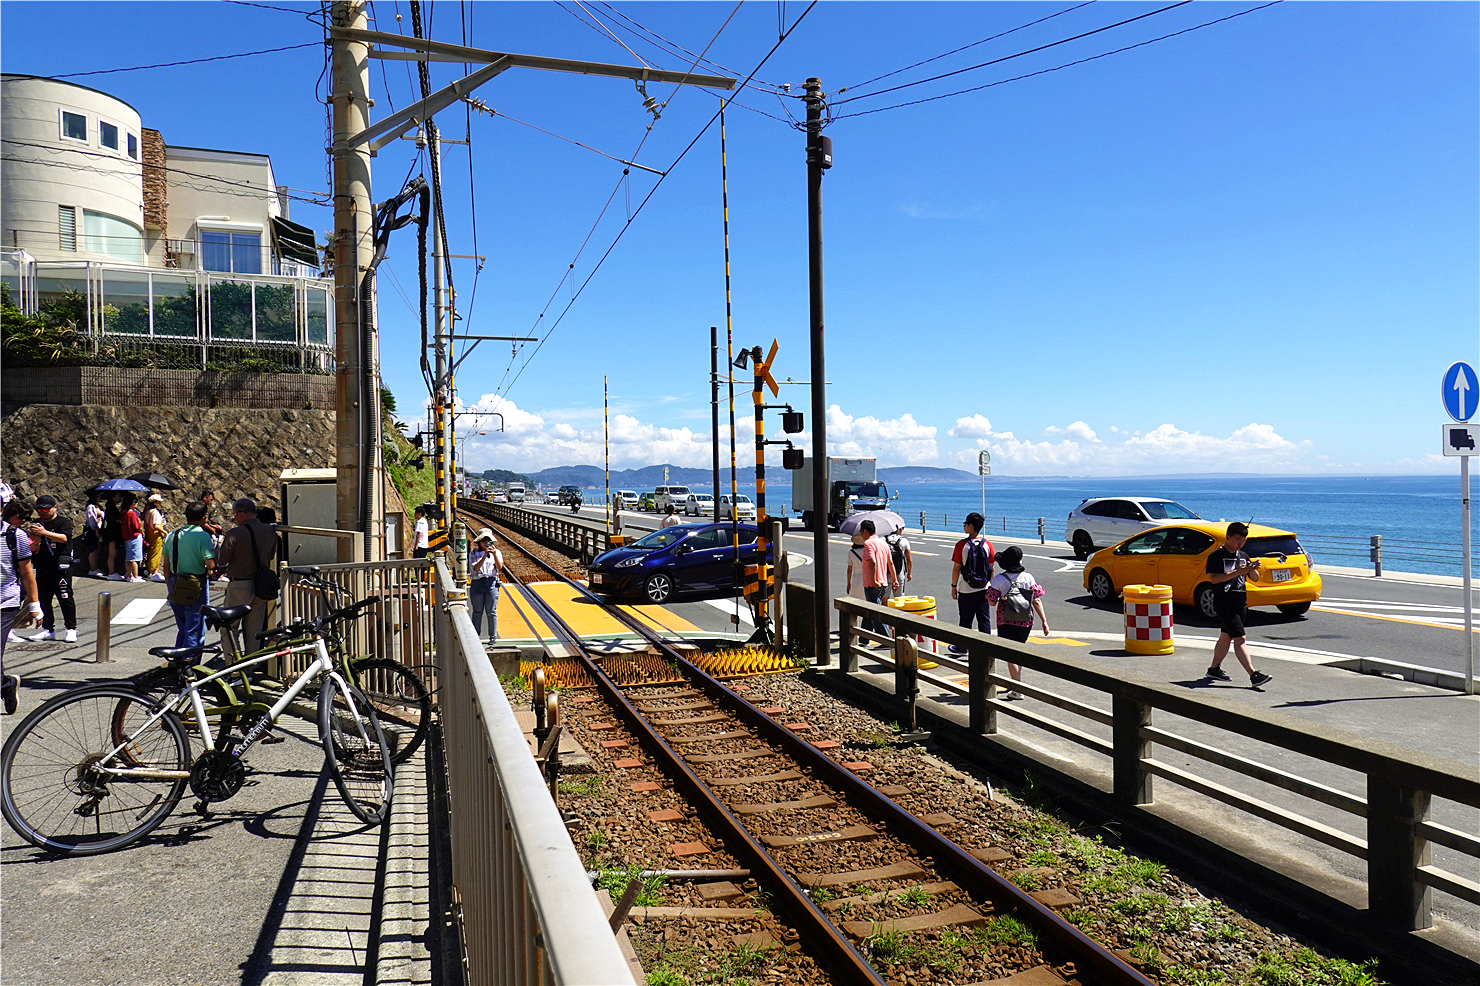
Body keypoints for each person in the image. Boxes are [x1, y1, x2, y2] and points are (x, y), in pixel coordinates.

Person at [1204, 522, 1273, 688]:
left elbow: (1255, 578)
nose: (1240, 543)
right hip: (1224, 601)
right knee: (1240, 638)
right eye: (1237, 539)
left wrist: (1252, 568)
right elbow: (1214, 579)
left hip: (1240, 601)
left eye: (1243, 540)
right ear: (1227, 537)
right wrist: (1237, 572)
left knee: (1226, 636)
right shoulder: (1217, 555)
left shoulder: (1242, 555)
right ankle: (1253, 674)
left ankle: (1214, 669)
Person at [985, 545, 1051, 700]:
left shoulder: (999, 579)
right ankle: (1016, 683)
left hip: (1005, 621)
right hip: (1025, 622)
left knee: (1010, 656)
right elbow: (1037, 600)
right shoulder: (1028, 578)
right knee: (1018, 654)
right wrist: (1044, 621)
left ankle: (1017, 689)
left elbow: (992, 603)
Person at [216, 498, 279, 653]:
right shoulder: (270, 531)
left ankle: (235, 669)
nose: (235, 518)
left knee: (229, 628)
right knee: (254, 633)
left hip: (239, 586)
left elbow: (222, 560)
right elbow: (271, 556)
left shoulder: (235, 533)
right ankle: (250, 669)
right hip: (261, 586)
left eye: (235, 514)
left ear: (241, 514)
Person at [2, 499, 41, 714]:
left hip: (4, 602)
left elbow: (26, 572)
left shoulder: (14, 535)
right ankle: (7, 685)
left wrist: (34, 605)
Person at [162, 501, 216, 650]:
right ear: (205, 518)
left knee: (183, 628)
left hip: (175, 582)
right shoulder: (203, 537)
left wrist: (170, 586)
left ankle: (178, 663)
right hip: (195, 585)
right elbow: (210, 565)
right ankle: (190, 666)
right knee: (195, 629)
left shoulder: (172, 535)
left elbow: (166, 566)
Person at [25, 495, 78, 643]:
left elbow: (64, 538)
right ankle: (48, 629)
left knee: (65, 597)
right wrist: (35, 540)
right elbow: (33, 546)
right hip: (43, 565)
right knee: (44, 599)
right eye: (39, 509)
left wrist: (44, 533)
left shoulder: (63, 522)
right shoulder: (37, 523)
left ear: (54, 507)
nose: (42, 512)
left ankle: (71, 628)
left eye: (46, 509)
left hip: (60, 566)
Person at [948, 512, 995, 655]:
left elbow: (957, 568)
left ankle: (962, 647)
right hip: (984, 588)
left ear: (971, 526)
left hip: (966, 589)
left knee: (965, 620)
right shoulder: (988, 544)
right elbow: (991, 568)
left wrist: (954, 586)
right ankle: (986, 648)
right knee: (984, 620)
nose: (964, 526)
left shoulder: (961, 545)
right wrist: (991, 587)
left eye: (965, 524)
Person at [858, 519, 900, 637]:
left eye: (861, 531)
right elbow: (890, 563)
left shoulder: (868, 544)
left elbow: (872, 562)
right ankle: (864, 637)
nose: (860, 534)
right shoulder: (883, 543)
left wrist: (873, 580)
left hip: (872, 583)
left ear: (865, 531)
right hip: (883, 581)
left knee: (874, 612)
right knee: (870, 609)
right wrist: (895, 579)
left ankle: (886, 638)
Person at [468, 529, 503, 644]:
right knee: (477, 611)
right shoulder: (473, 553)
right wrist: (485, 556)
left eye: (488, 540)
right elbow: (476, 568)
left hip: (491, 582)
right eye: (483, 540)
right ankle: (475, 637)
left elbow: (499, 567)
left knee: (491, 611)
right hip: (477, 583)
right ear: (479, 541)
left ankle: (493, 636)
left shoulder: (496, 552)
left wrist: (493, 554)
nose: (486, 543)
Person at [119, 492, 144, 582]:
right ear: (132, 503)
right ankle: (135, 576)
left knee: (128, 558)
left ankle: (130, 575)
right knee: (135, 558)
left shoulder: (124, 513)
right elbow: (137, 526)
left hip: (127, 537)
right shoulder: (132, 514)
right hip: (134, 536)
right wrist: (142, 533)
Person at [144, 493, 168, 582]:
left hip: (149, 534)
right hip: (156, 535)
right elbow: (156, 525)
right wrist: (165, 532)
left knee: (151, 553)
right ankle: (154, 572)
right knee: (156, 553)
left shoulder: (148, 511)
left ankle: (151, 570)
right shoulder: (155, 512)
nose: (160, 504)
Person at [884, 526, 913, 591]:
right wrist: (909, 573)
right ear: (900, 529)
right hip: (899, 573)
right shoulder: (904, 541)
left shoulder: (883, 539)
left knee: (884, 598)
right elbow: (909, 560)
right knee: (899, 598)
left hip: (885, 573)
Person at [83, 490, 105, 577]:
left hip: (99, 528)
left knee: (96, 550)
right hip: (92, 530)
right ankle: (93, 569)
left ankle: (95, 567)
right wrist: (95, 529)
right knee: (93, 550)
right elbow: (91, 519)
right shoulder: (90, 507)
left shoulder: (97, 506)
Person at [102, 491, 123, 580]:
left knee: (113, 553)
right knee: (112, 553)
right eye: (118, 496)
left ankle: (112, 571)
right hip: (112, 532)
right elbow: (112, 519)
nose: (120, 498)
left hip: (112, 531)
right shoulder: (110, 507)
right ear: (113, 497)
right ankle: (111, 572)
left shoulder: (110, 506)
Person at [844, 533, 868, 603]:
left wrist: (848, 583)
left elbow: (849, 570)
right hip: (866, 578)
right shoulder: (868, 551)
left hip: (856, 579)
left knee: (855, 601)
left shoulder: (851, 552)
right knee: (866, 601)